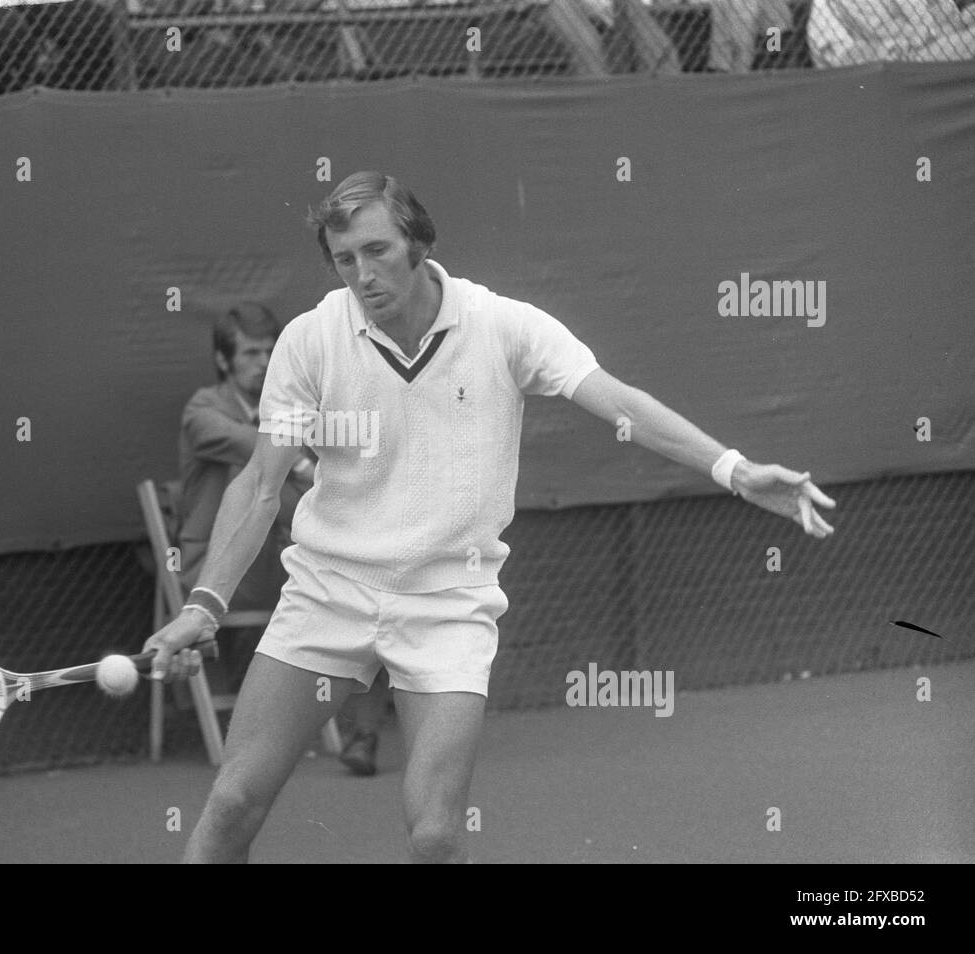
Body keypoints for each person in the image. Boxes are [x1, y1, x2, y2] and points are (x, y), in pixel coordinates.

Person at [144, 171, 836, 864]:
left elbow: (621, 404)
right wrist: (205, 602)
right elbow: (262, 484)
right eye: (345, 259)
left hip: (447, 601)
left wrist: (737, 471)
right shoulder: (310, 340)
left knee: (437, 836)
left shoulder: (503, 326)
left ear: (418, 243)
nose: (362, 274)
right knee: (233, 802)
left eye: (377, 250)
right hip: (328, 589)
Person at [178, 303, 314, 688]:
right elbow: (247, 446)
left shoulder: (293, 410)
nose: (264, 362)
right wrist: (301, 465)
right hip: (215, 572)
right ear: (223, 360)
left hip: (285, 567)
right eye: (251, 353)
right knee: (253, 469)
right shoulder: (202, 409)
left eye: (271, 352)